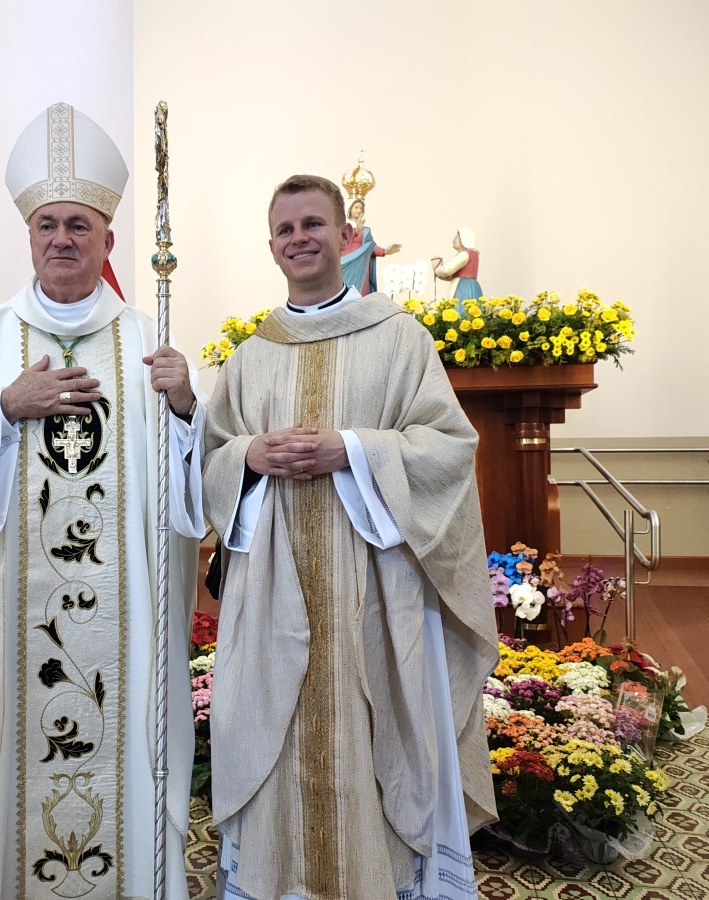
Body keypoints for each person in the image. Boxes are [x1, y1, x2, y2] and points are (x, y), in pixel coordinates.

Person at [0, 101, 206, 900]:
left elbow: (192, 491)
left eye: (79, 224)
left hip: (125, 627)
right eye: (47, 225)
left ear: (107, 238)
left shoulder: (149, 344)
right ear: (27, 236)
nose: (62, 239)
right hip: (16, 624)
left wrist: (183, 412)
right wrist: (2, 409)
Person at [202, 175, 498, 900]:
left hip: (375, 589)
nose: (299, 239)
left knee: (375, 739)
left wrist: (355, 451)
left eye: (313, 224)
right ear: (271, 246)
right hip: (273, 594)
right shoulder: (250, 355)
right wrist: (249, 458)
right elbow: (211, 454)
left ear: (345, 237)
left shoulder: (398, 338)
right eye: (285, 229)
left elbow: (449, 446)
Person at [339, 197, 400, 294]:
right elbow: (338, 242)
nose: (359, 210)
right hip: (346, 264)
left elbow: (371, 247)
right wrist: (355, 232)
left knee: (360, 294)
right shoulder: (341, 226)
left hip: (361, 267)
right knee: (343, 292)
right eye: (356, 207)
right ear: (349, 209)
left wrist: (385, 251)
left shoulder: (366, 230)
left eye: (361, 208)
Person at [432, 227, 483, 313]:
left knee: (460, 311)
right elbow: (450, 276)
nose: (453, 240)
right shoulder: (472, 253)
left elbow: (447, 270)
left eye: (456, 238)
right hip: (470, 286)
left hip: (463, 288)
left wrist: (437, 269)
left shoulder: (465, 254)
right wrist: (439, 273)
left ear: (464, 239)